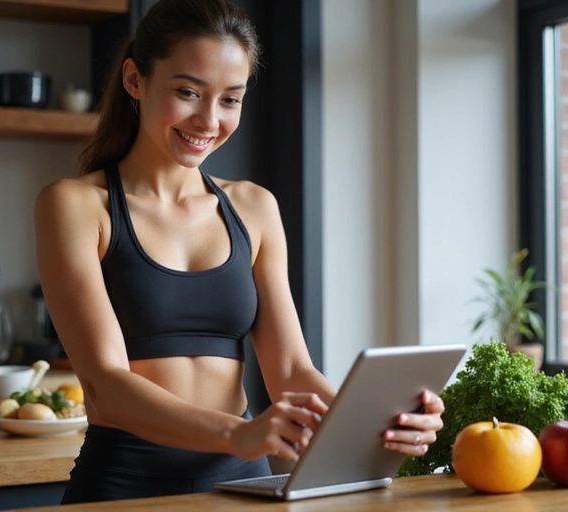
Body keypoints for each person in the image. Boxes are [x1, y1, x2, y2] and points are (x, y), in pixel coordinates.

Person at [34, 0, 446, 504]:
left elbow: (292, 370)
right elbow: (105, 384)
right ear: (135, 80)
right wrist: (238, 432)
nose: (209, 119)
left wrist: (370, 424)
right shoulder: (75, 206)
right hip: (125, 484)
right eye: (188, 92)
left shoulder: (254, 206)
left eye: (231, 99)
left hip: (243, 483)